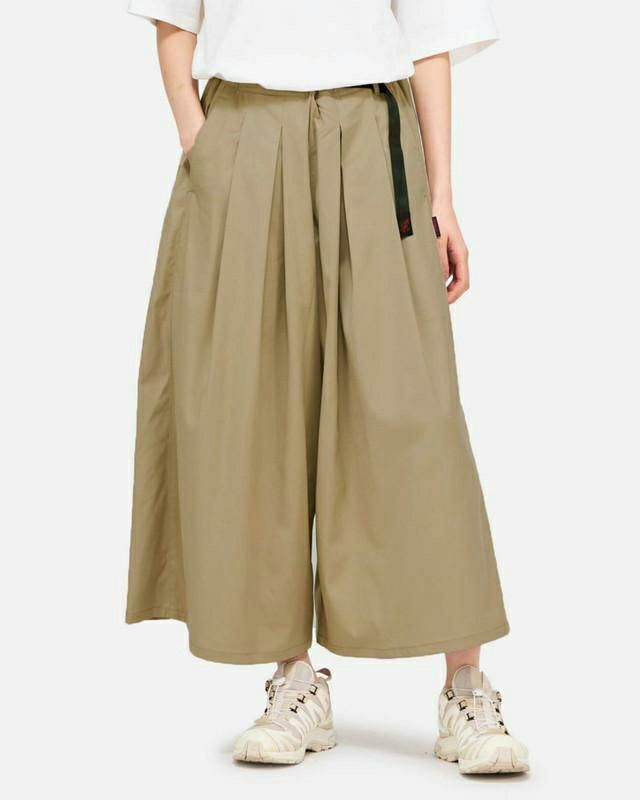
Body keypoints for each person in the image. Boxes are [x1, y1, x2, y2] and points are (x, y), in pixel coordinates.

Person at [125, 0, 529, 774]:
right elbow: (173, 17)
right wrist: (199, 139)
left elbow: (432, 34)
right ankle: (294, 680)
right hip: (243, 133)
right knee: (254, 403)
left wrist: (442, 194)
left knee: (416, 410)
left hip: (374, 136)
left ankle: (465, 688)